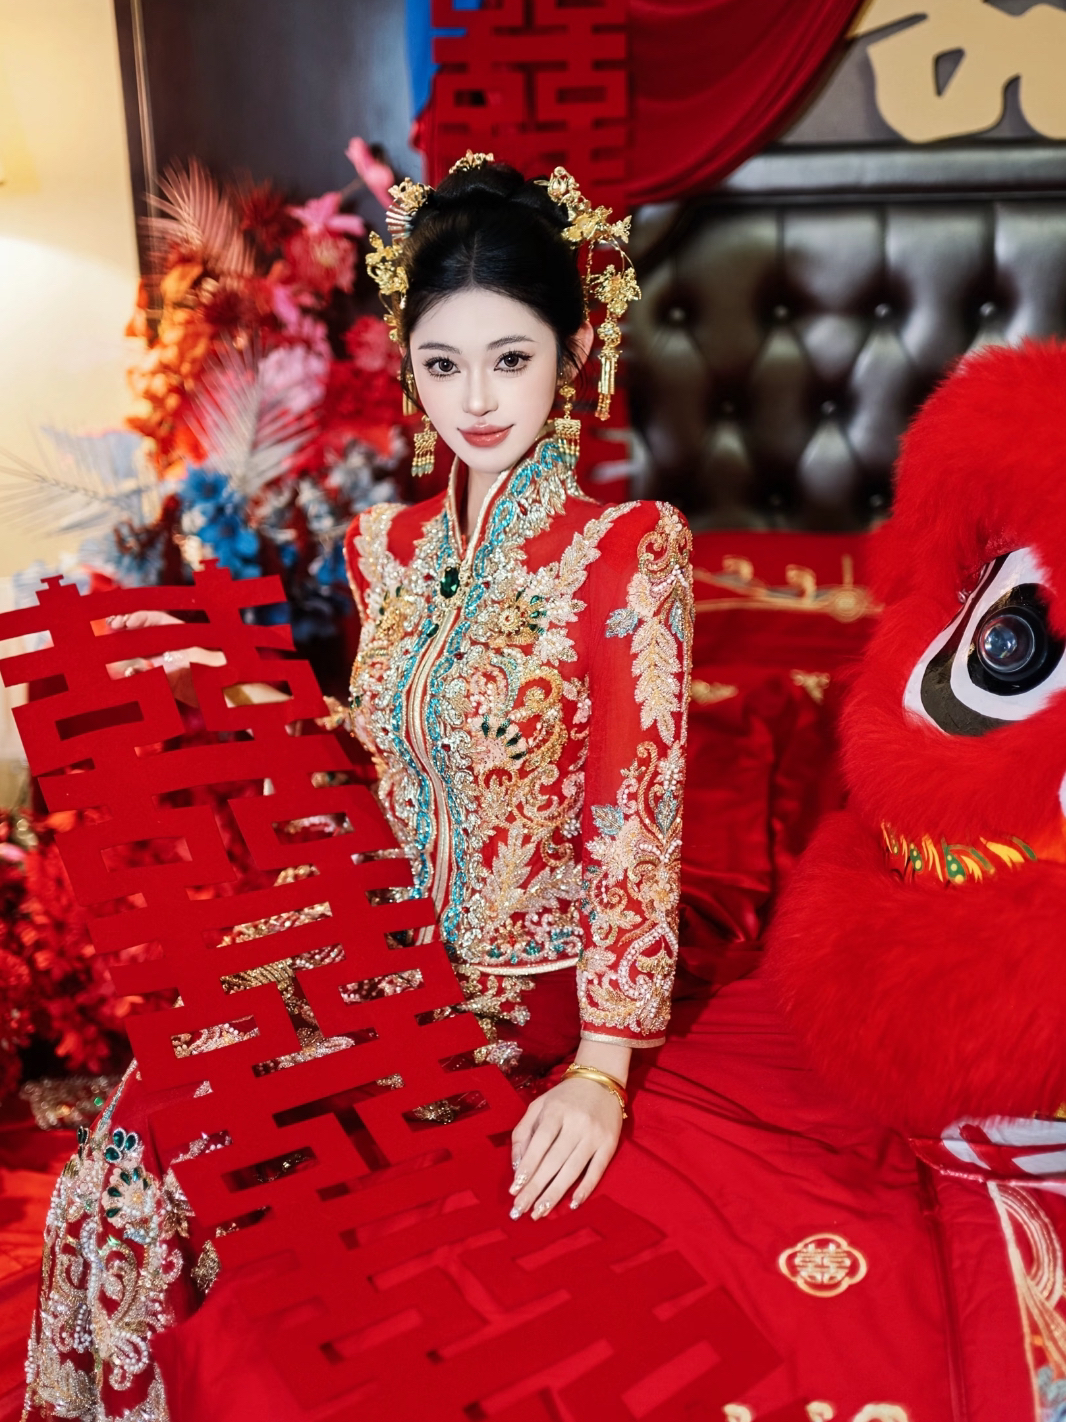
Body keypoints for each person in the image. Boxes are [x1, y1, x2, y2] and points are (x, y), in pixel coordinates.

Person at [21, 154, 693, 1419]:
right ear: (408, 369)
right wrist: (212, 704)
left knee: (238, 1169)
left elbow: (636, 820)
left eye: (510, 357)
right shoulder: (381, 547)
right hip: (366, 951)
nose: (475, 399)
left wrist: (601, 1072)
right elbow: (379, 762)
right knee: (135, 1144)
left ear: (571, 352)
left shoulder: (626, 552)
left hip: (523, 993)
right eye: (442, 364)